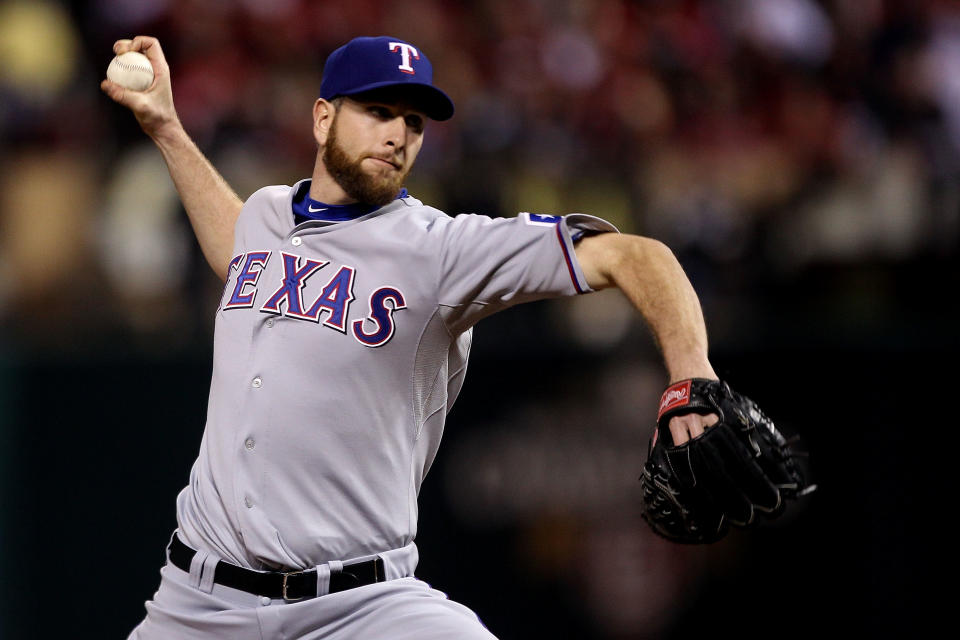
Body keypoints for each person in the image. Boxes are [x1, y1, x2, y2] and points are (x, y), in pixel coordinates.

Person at [102, 35, 719, 640]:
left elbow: (636, 256)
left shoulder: (443, 250)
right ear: (323, 119)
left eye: (413, 121)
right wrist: (168, 130)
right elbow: (237, 249)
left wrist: (692, 372)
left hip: (362, 608)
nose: (397, 134)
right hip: (199, 605)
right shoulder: (266, 215)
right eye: (377, 111)